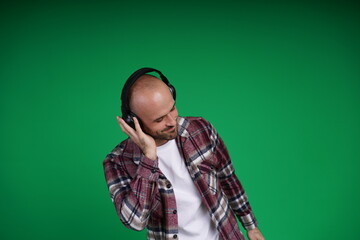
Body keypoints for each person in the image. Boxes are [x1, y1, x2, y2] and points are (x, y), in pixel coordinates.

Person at [103, 68, 265, 240]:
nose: (172, 122)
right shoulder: (117, 162)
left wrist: (250, 226)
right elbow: (135, 222)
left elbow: (228, 177)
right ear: (132, 121)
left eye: (172, 109)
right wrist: (148, 157)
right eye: (159, 119)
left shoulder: (201, 129)